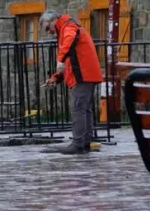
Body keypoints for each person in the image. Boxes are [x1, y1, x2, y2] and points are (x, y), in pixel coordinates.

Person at [39, 9, 103, 155]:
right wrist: (56, 78)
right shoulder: (67, 27)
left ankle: (78, 143)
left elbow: (68, 46)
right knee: (84, 109)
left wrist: (59, 59)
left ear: (53, 20)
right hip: (86, 74)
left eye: (47, 28)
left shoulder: (68, 27)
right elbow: (70, 59)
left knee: (78, 108)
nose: (48, 32)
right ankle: (84, 142)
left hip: (83, 75)